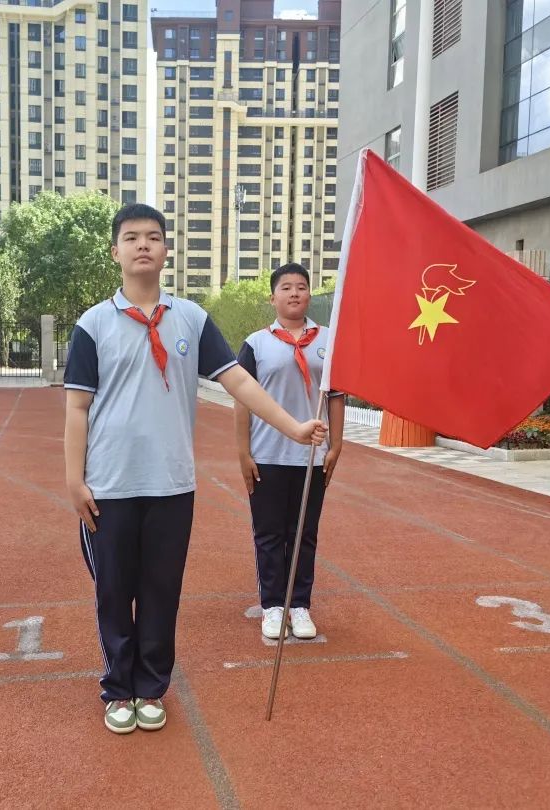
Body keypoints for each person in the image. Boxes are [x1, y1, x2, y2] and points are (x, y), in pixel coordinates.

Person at [63, 204, 327, 735]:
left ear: (166, 251)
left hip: (171, 483)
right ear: (115, 251)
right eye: (132, 237)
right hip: (109, 484)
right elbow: (76, 407)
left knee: (162, 589)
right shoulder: (93, 324)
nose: (143, 246)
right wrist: (73, 478)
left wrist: (293, 427)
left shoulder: (191, 319)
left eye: (153, 237)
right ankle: (118, 687)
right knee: (114, 589)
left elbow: (240, 383)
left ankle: (151, 685)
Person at [234, 263, 345, 641]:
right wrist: (243, 452)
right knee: (268, 533)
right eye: (286, 287)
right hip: (267, 453)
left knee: (303, 533)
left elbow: (337, 396)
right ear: (273, 297)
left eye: (301, 286)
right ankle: (272, 606)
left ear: (309, 294)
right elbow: (241, 402)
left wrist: (337, 445)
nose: (294, 293)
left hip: (311, 456)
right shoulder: (256, 344)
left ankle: (299, 604)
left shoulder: (329, 340)